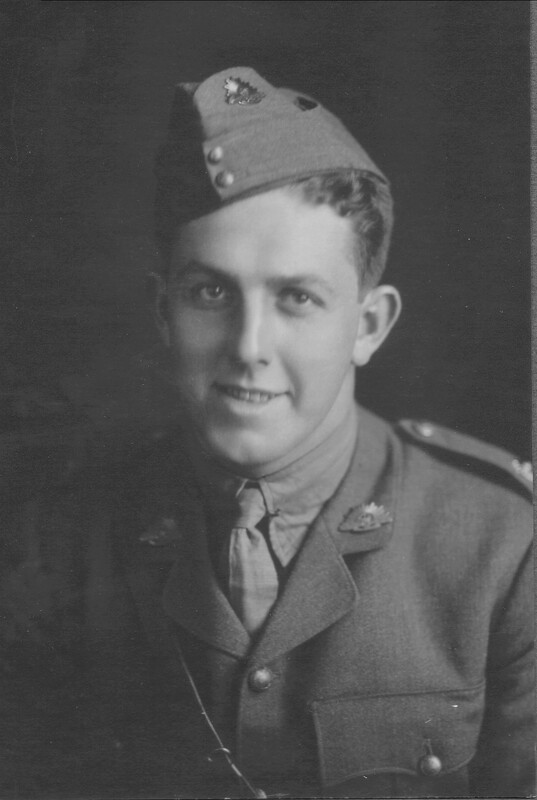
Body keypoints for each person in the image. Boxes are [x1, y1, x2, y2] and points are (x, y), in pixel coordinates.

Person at [1, 67, 533, 799]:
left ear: (368, 326)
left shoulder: (504, 547)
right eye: (211, 292)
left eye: (297, 298)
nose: (248, 346)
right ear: (162, 312)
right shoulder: (54, 542)